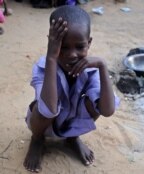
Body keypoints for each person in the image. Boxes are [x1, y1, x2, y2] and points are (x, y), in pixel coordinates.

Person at [23, 5, 119, 173]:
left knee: (94, 101)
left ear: (89, 43)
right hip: (45, 123)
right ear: (52, 43)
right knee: (40, 107)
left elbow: (107, 110)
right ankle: (37, 140)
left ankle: (72, 137)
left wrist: (102, 66)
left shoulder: (92, 69)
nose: (72, 54)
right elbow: (47, 109)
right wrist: (51, 57)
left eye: (80, 47)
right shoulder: (42, 66)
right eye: (63, 47)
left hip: (70, 120)